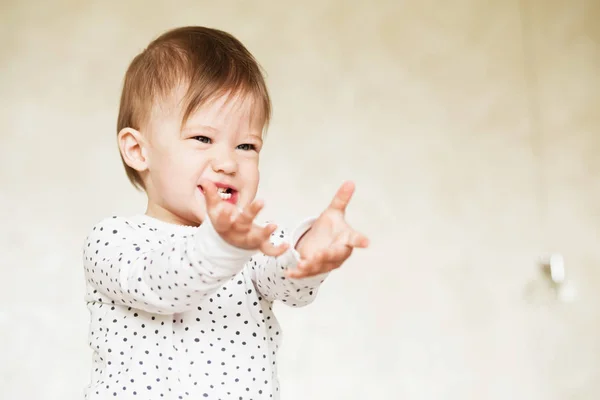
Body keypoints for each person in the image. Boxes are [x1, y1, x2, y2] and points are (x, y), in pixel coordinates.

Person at [82, 26, 369, 400]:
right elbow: (161, 283)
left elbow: (288, 283)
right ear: (138, 150)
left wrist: (310, 249)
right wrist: (223, 246)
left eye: (246, 145)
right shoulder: (115, 239)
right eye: (202, 139)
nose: (228, 163)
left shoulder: (249, 241)